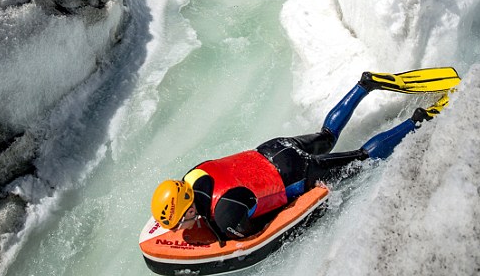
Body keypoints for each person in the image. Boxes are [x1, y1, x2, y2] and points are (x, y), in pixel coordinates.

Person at [150, 70, 454, 241]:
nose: (178, 230)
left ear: (190, 211)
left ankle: (419, 119)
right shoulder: (192, 175)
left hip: (295, 173)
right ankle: (364, 86)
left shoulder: (223, 214)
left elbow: (254, 233)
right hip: (273, 148)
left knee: (362, 158)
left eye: (178, 223)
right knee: (326, 136)